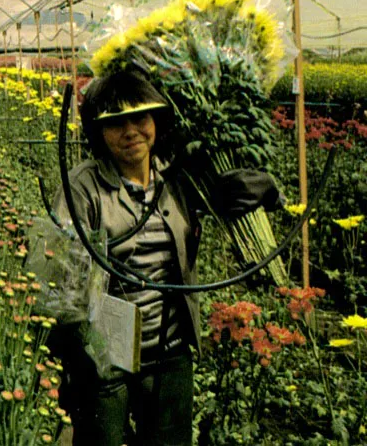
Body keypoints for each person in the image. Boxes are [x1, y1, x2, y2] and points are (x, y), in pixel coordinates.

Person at [47, 68, 282, 446]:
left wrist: (259, 189)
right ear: (98, 131)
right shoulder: (82, 187)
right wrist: (81, 358)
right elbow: (60, 282)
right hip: (105, 353)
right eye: (116, 122)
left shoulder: (179, 180)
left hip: (170, 347)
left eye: (140, 118)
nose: (131, 132)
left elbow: (226, 199)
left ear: (156, 120)